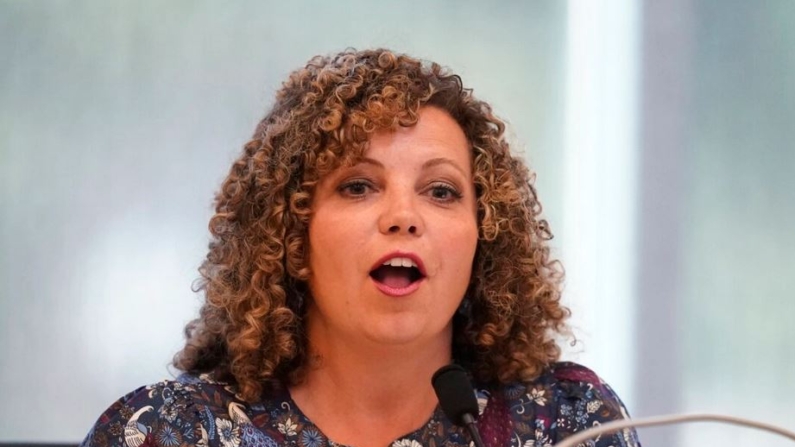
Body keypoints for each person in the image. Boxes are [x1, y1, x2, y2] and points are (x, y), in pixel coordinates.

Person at [81, 48, 640, 447]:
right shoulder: (169, 432)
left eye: (441, 191)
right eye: (358, 186)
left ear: (485, 237)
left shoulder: (568, 424)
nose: (403, 217)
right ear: (290, 234)